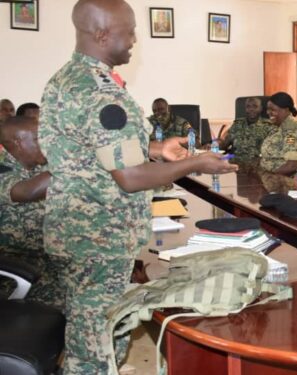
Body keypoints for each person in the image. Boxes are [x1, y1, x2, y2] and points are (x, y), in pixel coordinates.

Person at [38, 0, 238, 373]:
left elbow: (91, 148)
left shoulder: (67, 78)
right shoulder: (102, 93)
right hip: (99, 238)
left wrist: (158, 148)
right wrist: (195, 162)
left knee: (94, 326)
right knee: (93, 344)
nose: (134, 39)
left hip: (73, 229)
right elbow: (129, 177)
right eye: (129, 30)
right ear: (101, 34)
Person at [0, 116, 65, 309]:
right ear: (18, 142)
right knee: (86, 309)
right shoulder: (3, 170)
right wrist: (70, 164)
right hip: (24, 267)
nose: (46, 143)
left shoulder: (43, 166)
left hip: (57, 260)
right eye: (38, 138)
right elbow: (27, 191)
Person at [259, 92, 297, 175]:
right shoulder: (277, 126)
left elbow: (293, 165)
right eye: (268, 109)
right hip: (268, 178)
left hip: (285, 181)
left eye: (273, 110)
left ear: (286, 110)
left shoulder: (292, 131)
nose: (268, 112)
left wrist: (270, 177)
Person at [222, 96, 276, 163]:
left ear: (261, 108)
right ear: (245, 109)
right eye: (248, 106)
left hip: (258, 164)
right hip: (235, 163)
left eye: (255, 106)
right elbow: (224, 144)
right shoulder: (237, 124)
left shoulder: (269, 126)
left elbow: (274, 150)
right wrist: (214, 144)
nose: (251, 109)